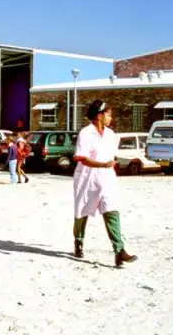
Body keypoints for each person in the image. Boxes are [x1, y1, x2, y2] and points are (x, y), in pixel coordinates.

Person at [72, 100, 138, 268]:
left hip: (107, 177)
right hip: (87, 177)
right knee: (82, 212)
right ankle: (78, 241)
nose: (111, 117)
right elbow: (82, 158)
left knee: (112, 211)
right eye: (108, 114)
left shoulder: (110, 134)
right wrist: (102, 165)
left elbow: (111, 155)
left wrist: (111, 165)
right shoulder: (86, 133)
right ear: (99, 116)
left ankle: (119, 251)